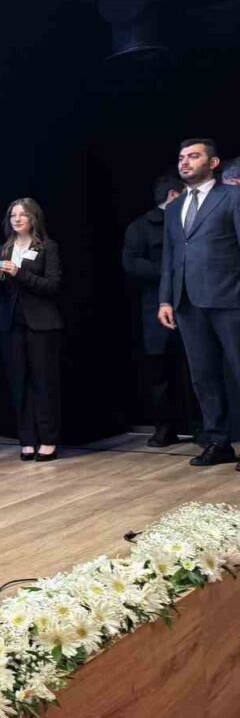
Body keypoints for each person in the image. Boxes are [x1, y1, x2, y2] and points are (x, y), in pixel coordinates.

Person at [158, 138, 240, 469]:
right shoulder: (174, 207)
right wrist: (165, 299)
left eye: (193, 156)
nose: (185, 162)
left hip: (230, 299)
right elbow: (170, 256)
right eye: (181, 157)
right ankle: (218, 441)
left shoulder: (232, 196)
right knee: (203, 376)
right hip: (188, 303)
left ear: (214, 163)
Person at [122, 173, 196, 446]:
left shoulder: (192, 220)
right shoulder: (140, 227)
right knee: (160, 371)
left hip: (193, 303)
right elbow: (131, 263)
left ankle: (205, 427)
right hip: (155, 306)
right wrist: (170, 272)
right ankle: (165, 427)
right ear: (174, 196)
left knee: (199, 367)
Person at [0, 198, 64, 461]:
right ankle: (27, 440)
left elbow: (51, 286)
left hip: (41, 324)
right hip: (10, 324)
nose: (17, 219)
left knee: (43, 382)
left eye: (23, 215)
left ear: (34, 218)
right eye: (13, 215)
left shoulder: (47, 248)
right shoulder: (3, 249)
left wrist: (18, 272)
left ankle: (48, 440)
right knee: (18, 383)